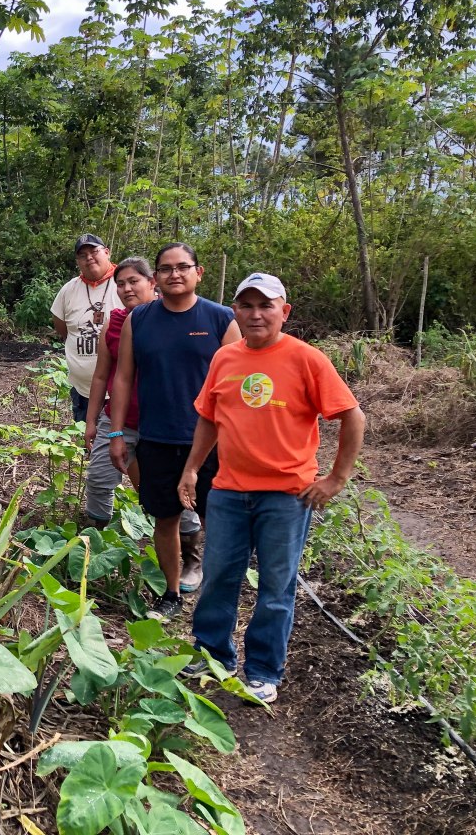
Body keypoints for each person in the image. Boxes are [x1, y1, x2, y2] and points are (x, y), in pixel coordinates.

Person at [181, 273, 365, 704]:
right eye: (246, 305)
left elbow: (352, 416)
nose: (256, 313)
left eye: (266, 305)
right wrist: (192, 468)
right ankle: (213, 655)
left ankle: (263, 671)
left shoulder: (307, 359)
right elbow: (210, 417)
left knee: (276, 587)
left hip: (286, 496)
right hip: (227, 491)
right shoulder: (225, 359)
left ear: (284, 311)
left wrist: (336, 479)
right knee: (219, 578)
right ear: (236, 312)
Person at [108, 243, 240, 622]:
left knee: (219, 518)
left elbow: (236, 385)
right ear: (157, 278)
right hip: (157, 438)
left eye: (183, 267)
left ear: (199, 272)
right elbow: (123, 377)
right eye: (166, 269)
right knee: (164, 518)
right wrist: (116, 434)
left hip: (213, 441)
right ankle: (170, 592)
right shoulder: (140, 320)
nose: (174, 274)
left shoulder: (220, 319)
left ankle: (217, 595)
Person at [83, 257, 154, 525]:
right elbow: (101, 376)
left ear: (152, 282)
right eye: (120, 283)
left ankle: (183, 543)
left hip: (159, 422)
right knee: (99, 478)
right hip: (118, 419)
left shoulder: (169, 322)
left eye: (134, 281)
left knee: (163, 486)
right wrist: (91, 421)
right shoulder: (113, 323)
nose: (126, 289)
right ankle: (97, 533)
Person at [51, 234, 123, 422]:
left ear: (107, 252)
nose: (89, 257)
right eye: (82, 255)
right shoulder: (69, 289)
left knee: (120, 444)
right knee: (88, 442)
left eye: (94, 251)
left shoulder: (124, 284)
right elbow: (61, 325)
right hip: (83, 390)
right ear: (77, 262)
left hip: (120, 389)